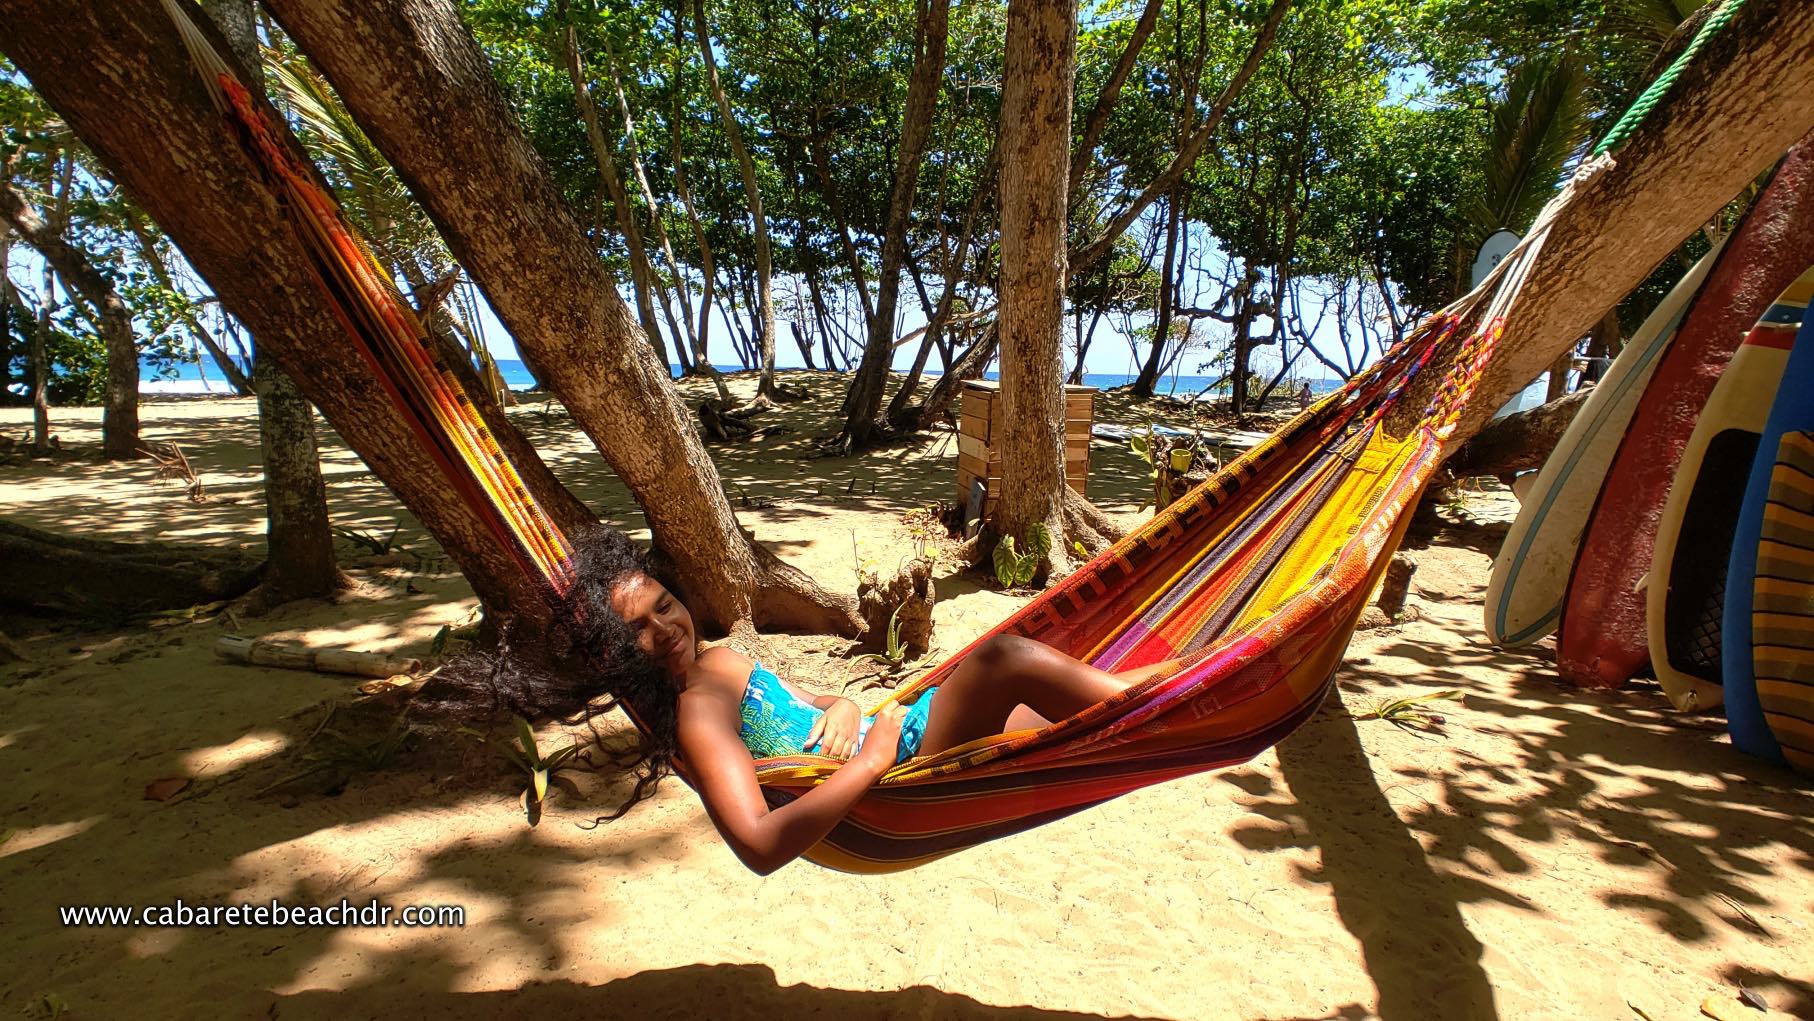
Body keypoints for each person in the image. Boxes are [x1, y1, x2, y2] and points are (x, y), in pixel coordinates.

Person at [439, 526, 1177, 874]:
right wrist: (871, 761)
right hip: (898, 773)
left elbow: (823, 696)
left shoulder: (723, 659)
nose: (665, 628)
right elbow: (759, 845)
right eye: (637, 628)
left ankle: (1163, 697)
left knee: (1054, 721)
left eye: (666, 604)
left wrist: (849, 710)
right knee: (1007, 659)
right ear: (610, 652)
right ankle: (1170, 694)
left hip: (896, 732)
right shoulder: (697, 715)